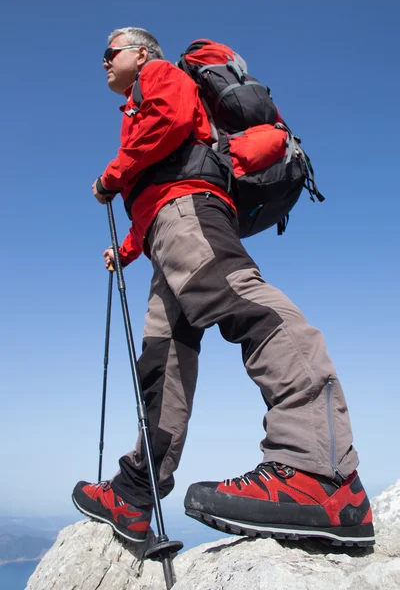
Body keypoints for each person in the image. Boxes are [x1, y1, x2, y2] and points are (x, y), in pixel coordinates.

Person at [72, 27, 374, 547]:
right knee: (162, 359)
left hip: (188, 212)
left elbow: (167, 128)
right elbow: (156, 182)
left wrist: (111, 176)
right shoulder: (137, 99)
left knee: (241, 302)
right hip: (168, 226)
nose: (103, 62)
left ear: (140, 53)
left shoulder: (158, 75)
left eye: (109, 51)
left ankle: (321, 474)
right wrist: (124, 251)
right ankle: (135, 492)